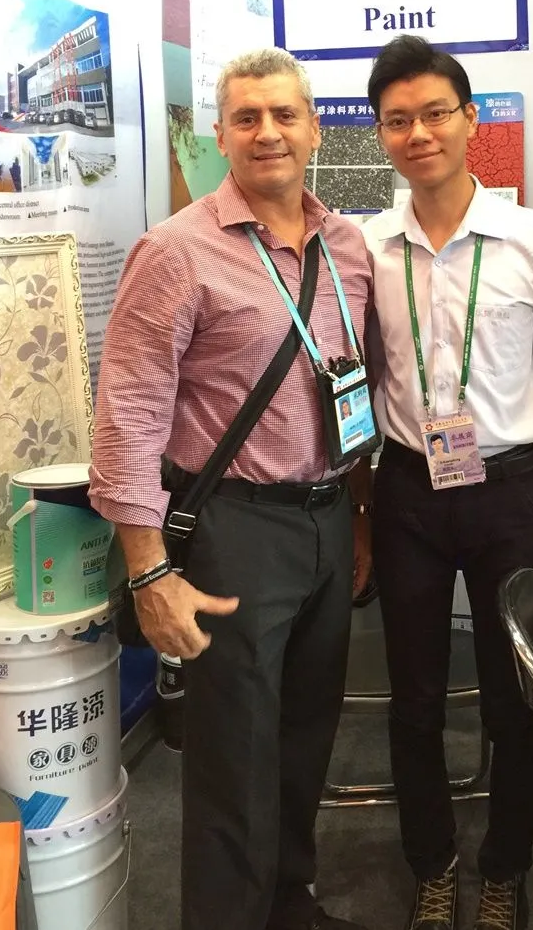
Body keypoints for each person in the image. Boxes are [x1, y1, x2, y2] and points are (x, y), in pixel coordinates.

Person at [89, 49, 374, 930]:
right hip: (235, 530)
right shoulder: (176, 251)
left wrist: (359, 521)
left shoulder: (348, 246)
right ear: (220, 134)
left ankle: (289, 904)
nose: (267, 132)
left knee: (305, 738)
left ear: (315, 129)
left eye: (284, 114)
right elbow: (127, 418)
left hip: (328, 518)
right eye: (246, 117)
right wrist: (149, 572)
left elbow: (355, 386)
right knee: (233, 764)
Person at [361, 36, 533, 930]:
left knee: (511, 694)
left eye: (435, 113)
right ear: (382, 133)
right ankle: (433, 865)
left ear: (469, 118)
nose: (419, 133)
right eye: (397, 120)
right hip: (408, 492)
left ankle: (504, 871)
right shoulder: (366, 247)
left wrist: (509, 445)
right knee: (413, 697)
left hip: (504, 493)